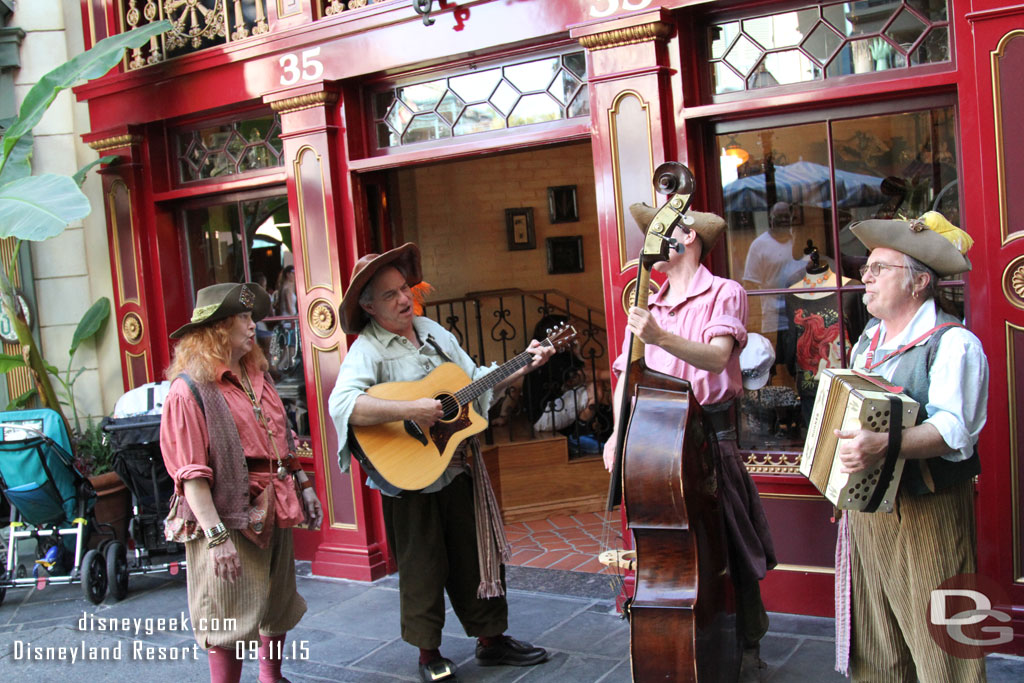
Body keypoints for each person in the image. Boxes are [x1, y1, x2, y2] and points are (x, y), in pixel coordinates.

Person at [327, 244, 553, 683]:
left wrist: (523, 364)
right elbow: (345, 405)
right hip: (408, 477)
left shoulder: (432, 331)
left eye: (404, 289)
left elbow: (472, 382)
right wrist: (410, 409)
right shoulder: (368, 350)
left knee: (476, 555)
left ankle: (491, 641)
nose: (404, 299)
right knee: (423, 565)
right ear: (369, 307)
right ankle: (428, 654)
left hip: (456, 464)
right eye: (390, 295)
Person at [603, 202, 777, 681]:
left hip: (708, 437)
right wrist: (618, 433)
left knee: (728, 545)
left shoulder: (724, 292)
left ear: (690, 237)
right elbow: (625, 375)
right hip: (655, 442)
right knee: (674, 548)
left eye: (660, 234)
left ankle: (746, 640)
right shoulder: (648, 302)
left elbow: (717, 359)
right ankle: (690, 640)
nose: (650, 244)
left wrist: (660, 335)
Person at [834, 211, 988, 681]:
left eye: (881, 268)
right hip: (868, 514)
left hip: (928, 513)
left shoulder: (954, 343)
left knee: (943, 645)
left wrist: (883, 444)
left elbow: (953, 432)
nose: (867, 276)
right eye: (867, 268)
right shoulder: (867, 342)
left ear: (919, 282)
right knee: (879, 648)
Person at [160, 282, 323, 683]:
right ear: (218, 329)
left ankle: (271, 677)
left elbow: (279, 437)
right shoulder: (188, 391)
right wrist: (217, 539)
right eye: (243, 318)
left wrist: (303, 484)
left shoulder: (255, 374)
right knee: (226, 614)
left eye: (252, 317)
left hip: (275, 500)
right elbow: (192, 477)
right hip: (225, 514)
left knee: (276, 600)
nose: (254, 326)